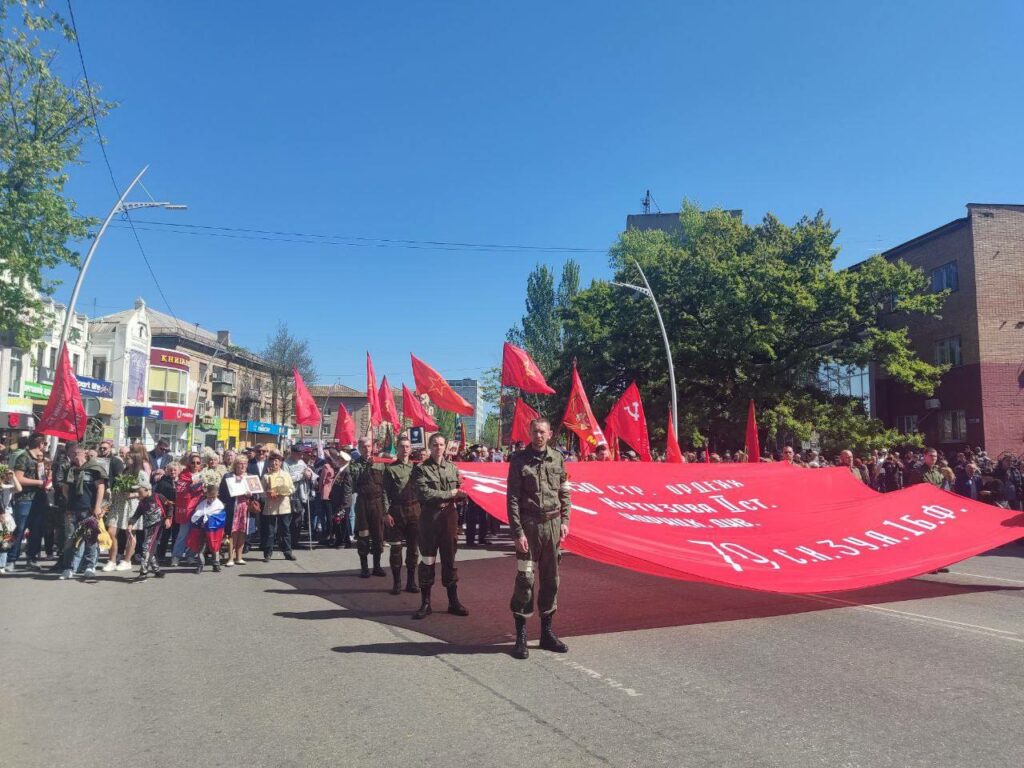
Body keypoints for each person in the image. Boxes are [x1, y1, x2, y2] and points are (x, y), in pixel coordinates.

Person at [506, 417, 571, 660]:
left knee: (551, 579)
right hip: (529, 524)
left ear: (550, 434)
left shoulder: (558, 458)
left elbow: (565, 492)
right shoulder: (519, 460)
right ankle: (521, 636)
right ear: (529, 433)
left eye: (542, 431)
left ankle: (546, 633)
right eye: (535, 431)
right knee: (525, 579)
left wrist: (565, 521)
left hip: (553, 525)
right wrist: (517, 532)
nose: (539, 435)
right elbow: (512, 498)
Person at [411, 433, 469, 620]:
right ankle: (425, 603)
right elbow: (424, 493)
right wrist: (450, 492)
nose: (438, 448)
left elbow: (462, 487)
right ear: (429, 447)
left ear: (445, 447)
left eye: (441, 444)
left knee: (449, 560)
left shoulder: (452, 468)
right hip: (430, 517)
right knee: (427, 560)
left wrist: (463, 492)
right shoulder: (421, 469)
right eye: (435, 445)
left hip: (449, 518)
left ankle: (453, 602)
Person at [382, 436, 421, 595]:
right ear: (396, 449)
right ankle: (397, 583)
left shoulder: (417, 469)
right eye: (401, 447)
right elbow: (384, 493)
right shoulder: (390, 469)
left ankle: (411, 582)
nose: (404, 450)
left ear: (410, 449)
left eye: (407, 447)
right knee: (396, 549)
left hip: (414, 511)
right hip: (397, 511)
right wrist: (385, 513)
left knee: (413, 550)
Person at [8, 432, 47, 572]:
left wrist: (47, 480)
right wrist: (39, 482)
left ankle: (31, 558)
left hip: (39, 499)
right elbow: (18, 478)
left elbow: (44, 478)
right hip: (25, 499)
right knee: (19, 529)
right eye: (45, 443)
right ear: (40, 444)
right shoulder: (24, 457)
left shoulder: (42, 459)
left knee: (37, 530)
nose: (45, 446)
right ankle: (11, 559)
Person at [352, 440, 387, 578]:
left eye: (368, 446)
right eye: (363, 447)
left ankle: (377, 566)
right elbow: (354, 480)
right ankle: (364, 567)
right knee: (363, 535)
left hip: (377, 503)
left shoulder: (379, 463)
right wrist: (367, 467)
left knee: (378, 535)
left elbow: (384, 487)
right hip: (363, 503)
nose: (366, 449)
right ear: (359, 448)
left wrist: (386, 508)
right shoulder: (355, 464)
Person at [126, 477, 167, 580]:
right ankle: (157, 570)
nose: (137, 494)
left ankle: (143, 572)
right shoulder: (143, 502)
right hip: (147, 527)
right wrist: (130, 524)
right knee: (149, 548)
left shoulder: (158, 497)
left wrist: (169, 518)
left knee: (146, 547)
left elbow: (169, 506)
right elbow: (137, 514)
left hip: (157, 525)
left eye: (139, 491)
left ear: (147, 490)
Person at [219, 456, 258, 566]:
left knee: (243, 532)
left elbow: (257, 494)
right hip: (233, 507)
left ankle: (239, 557)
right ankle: (230, 558)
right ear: (235, 464)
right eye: (240, 463)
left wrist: (251, 495)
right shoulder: (228, 476)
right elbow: (222, 494)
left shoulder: (250, 477)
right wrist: (233, 492)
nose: (242, 466)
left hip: (246, 508)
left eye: (245, 463)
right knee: (233, 532)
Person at [260, 450, 296, 561]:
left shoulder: (286, 475)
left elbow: (292, 488)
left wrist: (286, 491)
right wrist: (267, 494)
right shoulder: (266, 476)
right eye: (272, 461)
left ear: (280, 463)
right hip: (271, 508)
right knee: (270, 531)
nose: (274, 464)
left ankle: (287, 551)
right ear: (269, 463)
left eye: (277, 461)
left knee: (285, 530)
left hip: (284, 507)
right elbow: (260, 492)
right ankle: (268, 553)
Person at [172, 454, 205, 567]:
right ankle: (176, 556)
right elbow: (179, 490)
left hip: (199, 507)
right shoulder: (184, 475)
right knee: (183, 533)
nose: (195, 465)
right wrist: (190, 485)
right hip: (187, 507)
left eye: (198, 463)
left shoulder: (204, 475)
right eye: (193, 462)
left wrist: (204, 487)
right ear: (189, 463)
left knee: (196, 533)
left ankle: (190, 555)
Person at [187, 481, 227, 573]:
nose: (211, 499)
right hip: (202, 530)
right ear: (206, 494)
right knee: (201, 548)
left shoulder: (219, 504)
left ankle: (216, 564)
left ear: (217, 494)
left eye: (214, 497)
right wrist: (200, 517)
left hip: (214, 531)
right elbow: (197, 513)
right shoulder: (203, 503)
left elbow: (220, 517)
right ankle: (200, 565)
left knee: (215, 547)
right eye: (209, 496)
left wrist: (208, 517)